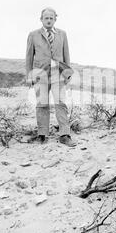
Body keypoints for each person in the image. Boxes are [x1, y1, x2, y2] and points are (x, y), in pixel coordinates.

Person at [25, 8, 76, 147]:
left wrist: (67, 73)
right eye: (46, 18)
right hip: (40, 74)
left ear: (55, 19)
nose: (48, 20)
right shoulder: (33, 35)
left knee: (60, 103)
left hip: (58, 74)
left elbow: (66, 55)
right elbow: (29, 57)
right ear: (41, 19)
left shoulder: (62, 34)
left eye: (51, 18)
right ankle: (42, 135)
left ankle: (65, 135)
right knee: (42, 104)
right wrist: (29, 75)